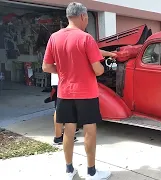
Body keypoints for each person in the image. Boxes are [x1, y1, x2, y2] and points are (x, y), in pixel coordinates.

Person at [42, 2, 117, 180]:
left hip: (64, 92)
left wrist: (63, 71)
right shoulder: (86, 38)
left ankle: (69, 171)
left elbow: (46, 67)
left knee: (68, 130)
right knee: (89, 130)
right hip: (86, 93)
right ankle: (91, 172)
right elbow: (98, 70)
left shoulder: (54, 37)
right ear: (83, 16)